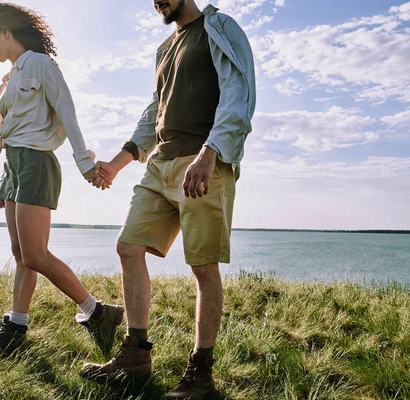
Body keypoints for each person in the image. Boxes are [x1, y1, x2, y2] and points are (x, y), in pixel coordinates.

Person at [83, 1, 256, 399]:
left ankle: (201, 377)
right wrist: (118, 161)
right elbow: (154, 112)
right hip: (160, 164)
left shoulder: (220, 28)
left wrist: (211, 152)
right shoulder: (165, 48)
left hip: (203, 163)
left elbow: (238, 92)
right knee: (128, 247)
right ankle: (136, 357)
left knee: (203, 268)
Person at [0, 2, 122, 355]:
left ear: (6, 31)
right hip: (14, 166)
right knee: (20, 252)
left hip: (37, 164)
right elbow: (11, 129)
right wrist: (4, 181)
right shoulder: (11, 78)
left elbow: (67, 111)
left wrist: (86, 163)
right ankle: (14, 329)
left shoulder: (39, 64)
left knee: (35, 254)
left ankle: (96, 312)